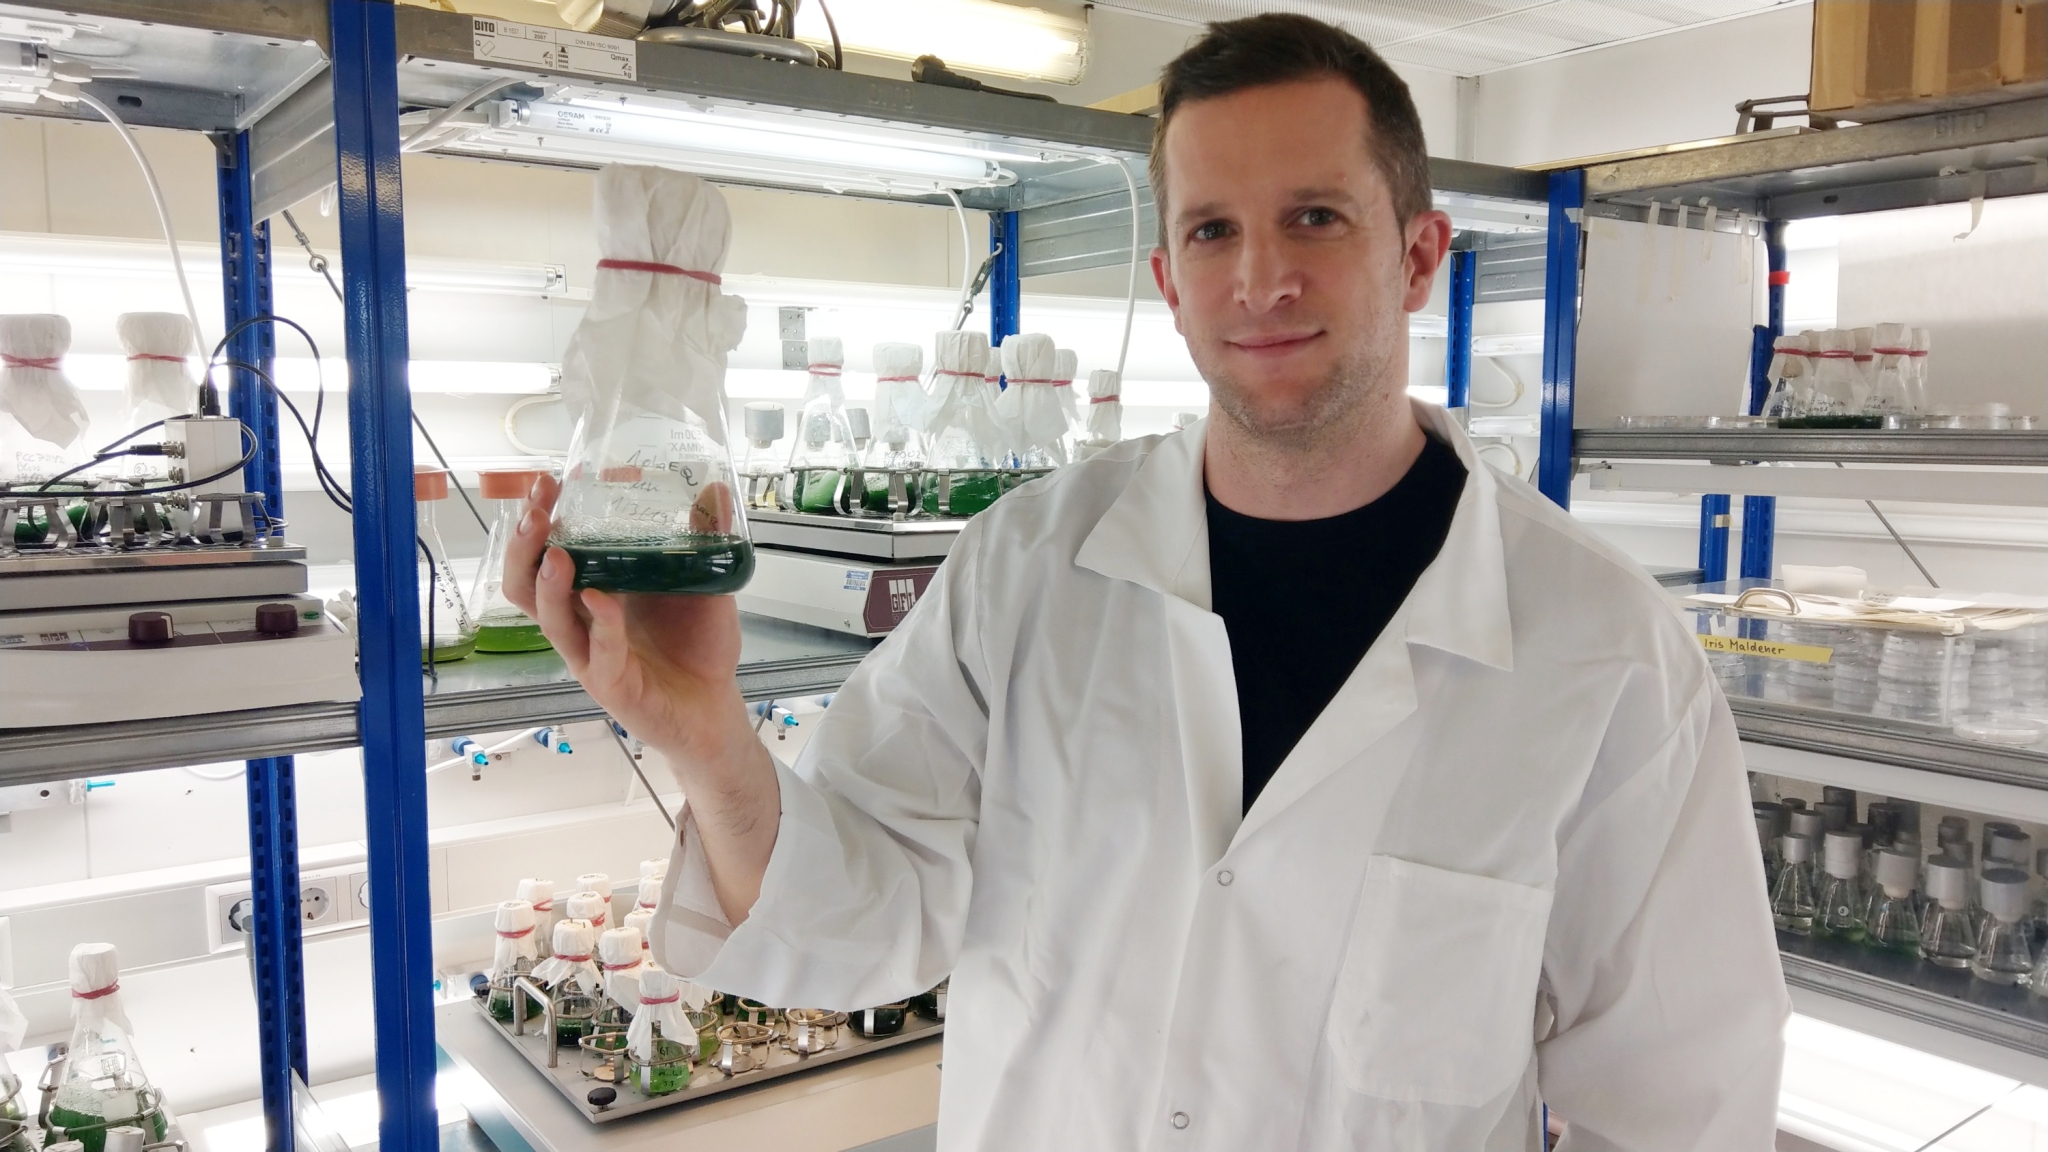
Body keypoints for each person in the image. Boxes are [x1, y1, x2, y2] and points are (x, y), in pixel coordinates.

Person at [504, 12, 1787, 1149]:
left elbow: (1680, 1102)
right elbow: (865, 915)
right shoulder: (1025, 568)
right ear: (1168, 283)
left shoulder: (1602, 651)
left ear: (1417, 253)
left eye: (1315, 217)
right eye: (1211, 230)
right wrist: (709, 738)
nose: (1259, 277)